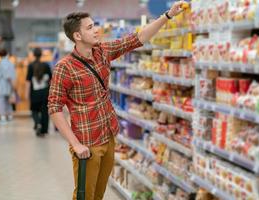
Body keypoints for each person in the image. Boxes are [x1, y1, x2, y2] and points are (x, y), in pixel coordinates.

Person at [48, 2, 186, 199]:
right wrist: (75, 144)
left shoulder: (102, 51)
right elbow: (54, 108)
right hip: (87, 143)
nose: (96, 30)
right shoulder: (65, 67)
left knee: (99, 194)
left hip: (109, 135)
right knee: (85, 196)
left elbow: (137, 38)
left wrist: (168, 15)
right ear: (77, 36)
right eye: (90, 28)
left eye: (94, 25)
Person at [26, 48, 52, 136]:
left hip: (34, 93)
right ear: (41, 55)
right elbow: (51, 80)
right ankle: (44, 129)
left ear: (33, 55)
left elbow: (28, 81)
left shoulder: (30, 66)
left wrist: (26, 93)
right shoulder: (46, 65)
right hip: (45, 93)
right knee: (45, 111)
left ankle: (37, 123)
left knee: (34, 110)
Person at [0, 48, 16, 124]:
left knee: (1, 101)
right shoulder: (10, 63)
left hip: (0, 85)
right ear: (7, 54)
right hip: (9, 85)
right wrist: (13, 85)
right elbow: (10, 76)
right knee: (9, 102)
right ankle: (10, 116)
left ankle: (3, 117)